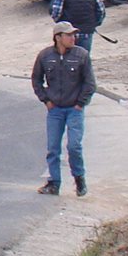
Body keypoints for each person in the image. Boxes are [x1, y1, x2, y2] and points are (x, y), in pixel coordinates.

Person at [31, 21, 96, 197]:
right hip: (55, 110)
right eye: (68, 35)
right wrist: (46, 100)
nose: (73, 38)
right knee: (53, 148)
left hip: (74, 109)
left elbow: (90, 83)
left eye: (73, 34)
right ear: (58, 37)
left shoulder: (81, 55)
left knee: (74, 146)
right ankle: (54, 183)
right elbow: (36, 80)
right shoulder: (45, 56)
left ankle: (79, 179)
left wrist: (80, 104)